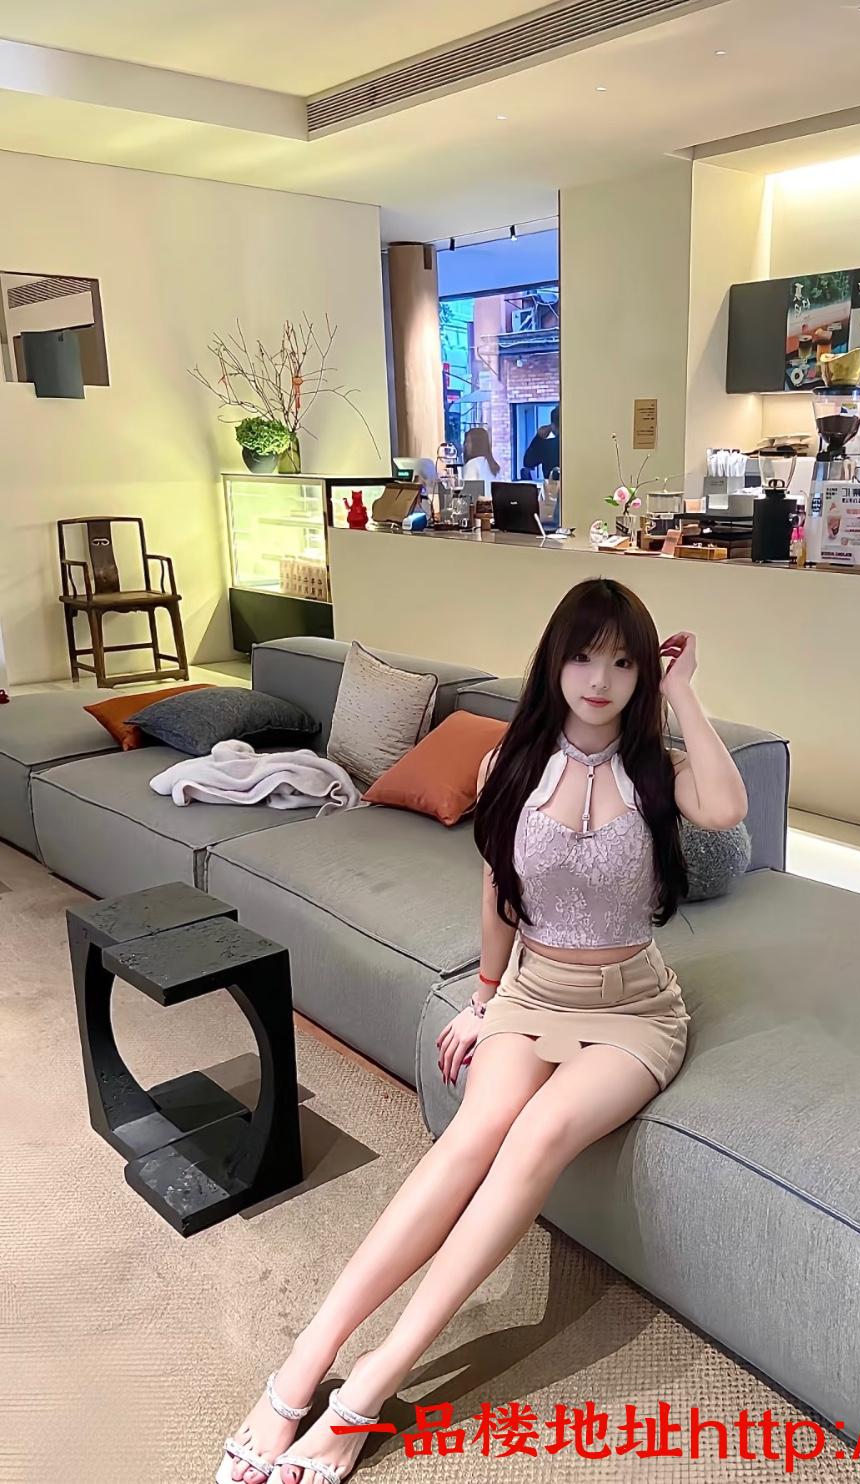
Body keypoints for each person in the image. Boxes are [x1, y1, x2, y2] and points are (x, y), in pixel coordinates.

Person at [215, 577, 748, 1484]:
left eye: (624, 663)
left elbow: (727, 809)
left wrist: (684, 691)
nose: (600, 680)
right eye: (584, 656)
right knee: (473, 1134)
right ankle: (307, 1359)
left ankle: (370, 1386)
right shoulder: (511, 762)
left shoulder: (657, 768)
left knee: (535, 1137)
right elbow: (500, 890)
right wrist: (484, 997)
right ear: (554, 661)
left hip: (633, 1011)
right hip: (534, 994)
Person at [521, 404, 560, 480]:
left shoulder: (547, 447)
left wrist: (538, 437)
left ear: (553, 426)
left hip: (555, 486)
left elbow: (528, 462)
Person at [462, 426, 500, 493]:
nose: (465, 445)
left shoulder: (472, 464)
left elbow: (470, 494)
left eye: (468, 441)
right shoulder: (494, 466)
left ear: (476, 444)